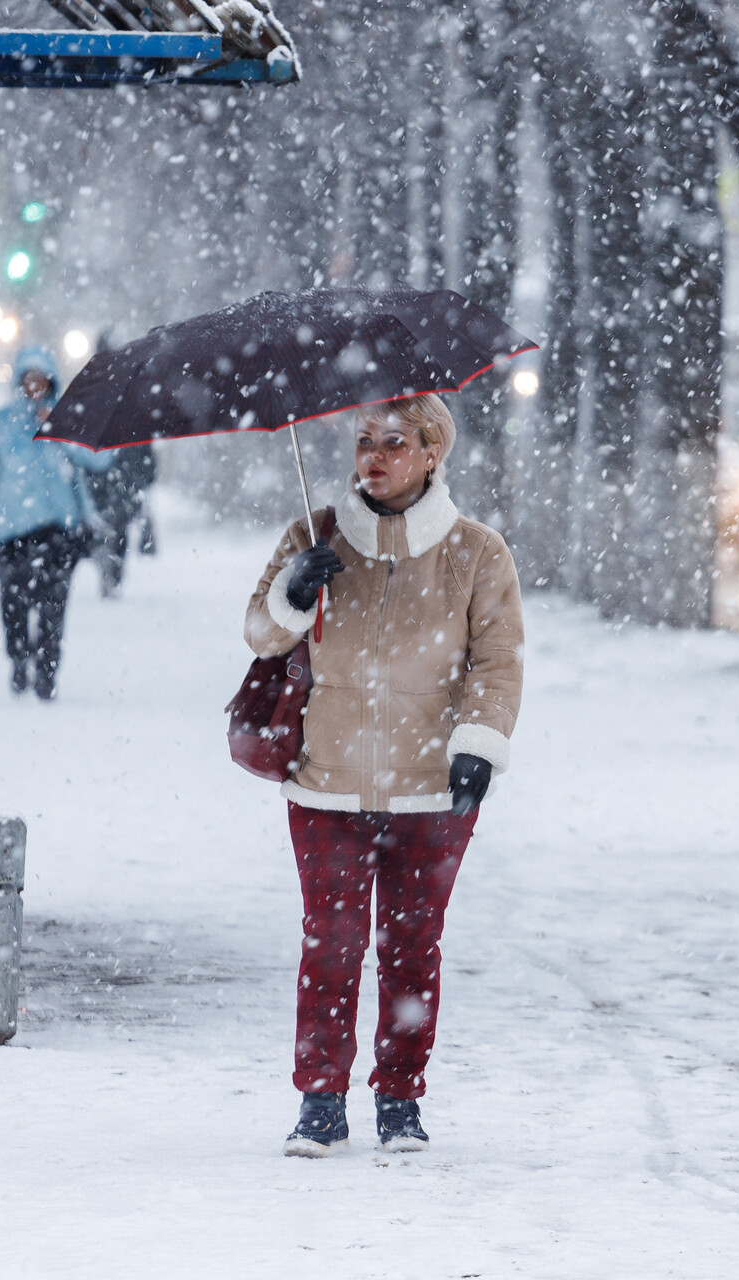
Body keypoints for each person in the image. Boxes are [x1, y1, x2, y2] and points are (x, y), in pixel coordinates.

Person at [245, 394, 523, 1156]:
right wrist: (294, 591)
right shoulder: (316, 534)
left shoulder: (476, 551)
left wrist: (480, 741)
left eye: (394, 442)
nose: (373, 455)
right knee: (330, 944)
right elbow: (260, 632)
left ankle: (399, 1100)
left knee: (411, 946)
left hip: (432, 786)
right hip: (325, 783)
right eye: (365, 440)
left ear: (432, 453)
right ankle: (320, 1102)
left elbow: (498, 663)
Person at [0, 346, 112, 700]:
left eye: (41, 379)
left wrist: (62, 430)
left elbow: (102, 458)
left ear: (51, 381)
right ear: (19, 382)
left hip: (58, 529)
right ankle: (19, 661)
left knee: (54, 604)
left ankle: (48, 669)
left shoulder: (69, 416)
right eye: (28, 379)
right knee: (14, 604)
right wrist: (3, 481)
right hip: (10, 531)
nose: (34, 386)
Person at [88, 440, 158, 598]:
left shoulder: (98, 434)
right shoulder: (138, 433)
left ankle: (108, 572)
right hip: (127, 493)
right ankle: (115, 575)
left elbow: (90, 466)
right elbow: (150, 470)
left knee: (109, 532)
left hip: (104, 493)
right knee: (120, 532)